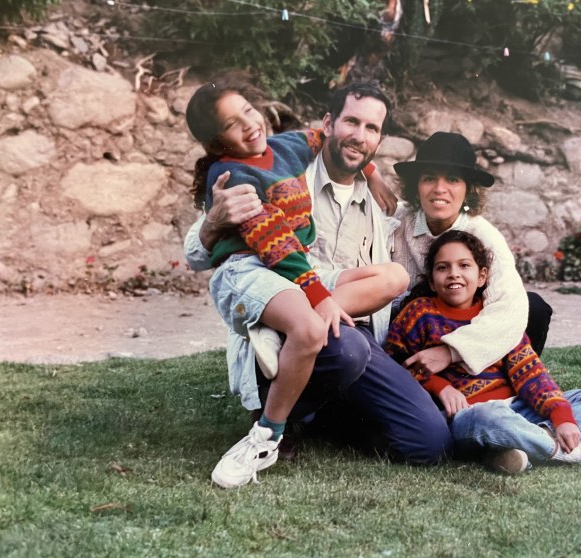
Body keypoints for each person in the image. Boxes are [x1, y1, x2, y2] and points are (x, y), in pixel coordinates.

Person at [184, 81, 453, 476]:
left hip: (343, 317)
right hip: (300, 304)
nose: (359, 136)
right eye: (351, 122)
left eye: (372, 129)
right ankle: (277, 418)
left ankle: (317, 417)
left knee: (429, 443)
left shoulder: (383, 203)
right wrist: (212, 223)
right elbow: (198, 251)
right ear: (329, 123)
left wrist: (373, 172)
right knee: (346, 350)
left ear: (379, 138)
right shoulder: (281, 164)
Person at [384, 230, 581, 474]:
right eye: (443, 267)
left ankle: (515, 447)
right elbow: (394, 364)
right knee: (489, 416)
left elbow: (530, 373)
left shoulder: (496, 314)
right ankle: (574, 452)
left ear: (482, 276)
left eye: (464, 266)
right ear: (431, 279)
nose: (454, 274)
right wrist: (440, 386)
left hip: (516, 408)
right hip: (467, 417)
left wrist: (562, 418)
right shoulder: (419, 314)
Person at [390, 131, 551, 380]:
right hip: (410, 331)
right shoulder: (395, 221)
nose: (439, 189)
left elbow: (510, 308)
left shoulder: (484, 236)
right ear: (416, 186)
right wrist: (370, 175)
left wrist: (450, 352)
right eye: (429, 178)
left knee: (534, 306)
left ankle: (500, 383)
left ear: (468, 190)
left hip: (461, 328)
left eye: (452, 180)